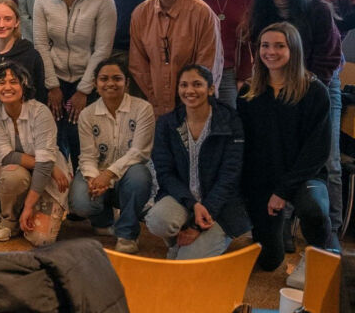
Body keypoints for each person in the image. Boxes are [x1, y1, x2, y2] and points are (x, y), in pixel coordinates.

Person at [237, 22, 340, 281]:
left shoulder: (314, 90)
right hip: (264, 179)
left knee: (313, 209)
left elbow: (317, 150)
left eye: (279, 46)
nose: (270, 52)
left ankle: (318, 253)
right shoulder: (248, 92)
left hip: (304, 176)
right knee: (270, 261)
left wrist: (283, 191)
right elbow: (246, 147)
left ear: (293, 49)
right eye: (265, 45)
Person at [146, 63, 250, 260]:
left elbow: (230, 177)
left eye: (197, 84)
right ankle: (178, 240)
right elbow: (165, 173)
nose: (189, 91)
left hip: (221, 206)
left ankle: (200, 237)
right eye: (183, 85)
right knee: (158, 221)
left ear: (211, 89)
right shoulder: (167, 123)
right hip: (184, 199)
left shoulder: (230, 121)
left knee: (186, 262)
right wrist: (193, 204)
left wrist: (197, 225)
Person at [291, 0, 351, 247]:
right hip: (289, 75)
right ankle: (286, 228)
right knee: (289, 153)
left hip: (326, 78)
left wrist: (339, 33)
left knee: (330, 159)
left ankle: (332, 234)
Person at [32, 0, 115, 167]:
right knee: (54, 139)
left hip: (87, 80)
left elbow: (102, 50)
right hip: (54, 79)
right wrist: (52, 86)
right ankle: (58, 185)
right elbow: (41, 44)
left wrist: (83, 90)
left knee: (82, 139)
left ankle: (86, 182)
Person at [68, 55, 154, 254]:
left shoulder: (143, 109)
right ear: (95, 84)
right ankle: (103, 222)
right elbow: (87, 156)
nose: (110, 83)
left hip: (130, 173)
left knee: (139, 176)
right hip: (97, 173)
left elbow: (139, 152)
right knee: (81, 203)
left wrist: (108, 174)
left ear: (127, 83)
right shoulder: (87, 114)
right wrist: (93, 179)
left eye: (117, 78)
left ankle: (127, 234)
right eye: (104, 79)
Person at [0, 61, 69, 246]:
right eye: (1, 82)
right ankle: (9, 221)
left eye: (14, 82)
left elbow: (44, 164)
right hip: (26, 171)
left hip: (46, 178)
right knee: (12, 174)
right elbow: (6, 156)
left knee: (42, 240)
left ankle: (28, 208)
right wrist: (50, 167)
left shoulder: (40, 112)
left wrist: (29, 206)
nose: (7, 87)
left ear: (24, 85)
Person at [129, 0, 222, 115]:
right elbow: (138, 64)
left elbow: (208, 64)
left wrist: (190, 96)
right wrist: (155, 98)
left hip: (194, 104)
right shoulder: (140, 14)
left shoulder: (202, 14)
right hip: (155, 104)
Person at [244, 0, 342, 85]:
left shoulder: (318, 9)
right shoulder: (258, 11)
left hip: (318, 79)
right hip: (275, 80)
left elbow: (327, 57)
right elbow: (259, 54)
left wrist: (311, 89)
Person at [184, 0, 253, 104]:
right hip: (195, 69)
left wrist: (243, 76)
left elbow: (249, 40)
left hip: (229, 73)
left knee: (227, 119)